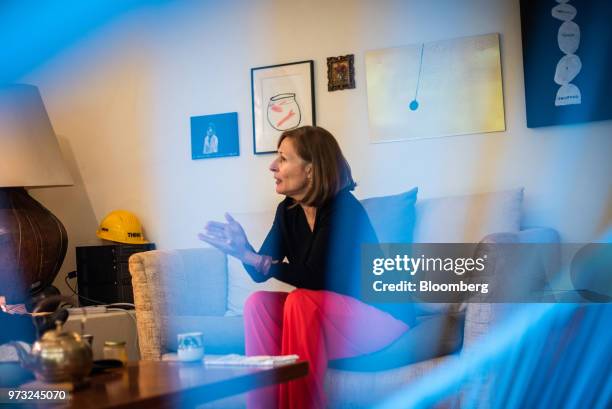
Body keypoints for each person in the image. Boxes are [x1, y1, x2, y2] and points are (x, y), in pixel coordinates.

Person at [198, 126, 414, 409]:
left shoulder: (344, 209)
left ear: (310, 170)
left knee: (301, 302)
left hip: (382, 317)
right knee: (258, 304)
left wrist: (254, 259)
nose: (272, 166)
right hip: (330, 317)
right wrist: (245, 251)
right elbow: (259, 272)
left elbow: (317, 277)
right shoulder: (288, 210)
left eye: (283, 159)